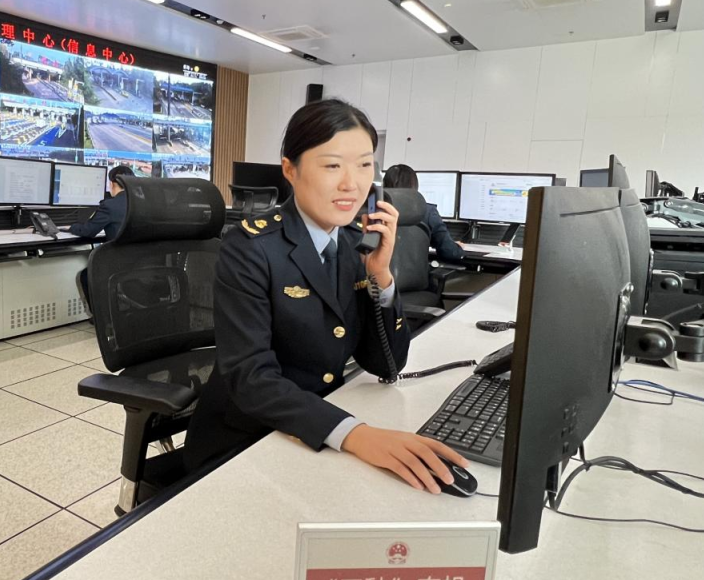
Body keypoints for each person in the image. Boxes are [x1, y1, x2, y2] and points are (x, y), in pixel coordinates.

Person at [184, 99, 468, 493]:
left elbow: (386, 363)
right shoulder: (250, 248)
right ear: (290, 169)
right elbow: (251, 378)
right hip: (247, 439)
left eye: (365, 165)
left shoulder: (356, 244)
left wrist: (381, 276)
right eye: (333, 166)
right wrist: (355, 434)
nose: (352, 184)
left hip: (322, 422)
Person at [64, 164, 135, 316]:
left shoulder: (110, 206)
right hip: (144, 261)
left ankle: (101, 318)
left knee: (86, 275)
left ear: (112, 184)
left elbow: (88, 231)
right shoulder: (143, 202)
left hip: (120, 263)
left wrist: (71, 227)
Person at [382, 164, 465, 262]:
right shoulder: (427, 212)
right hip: (416, 271)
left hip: (377, 269)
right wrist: (457, 248)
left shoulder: (377, 211)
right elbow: (449, 252)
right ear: (414, 186)